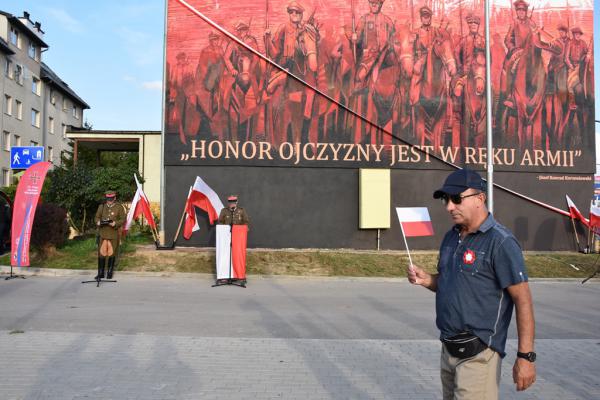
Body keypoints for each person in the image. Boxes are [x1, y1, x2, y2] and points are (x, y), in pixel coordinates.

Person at [407, 168, 536, 399]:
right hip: (448, 350)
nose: (449, 207)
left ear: (480, 198)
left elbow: (522, 299)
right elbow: (448, 282)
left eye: (456, 199)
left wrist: (525, 357)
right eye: (446, 200)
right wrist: (428, 280)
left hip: (479, 355)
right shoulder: (451, 237)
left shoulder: (501, 242)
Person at [94, 190, 126, 280]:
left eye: (111, 199)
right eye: (108, 198)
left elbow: (123, 219)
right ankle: (100, 273)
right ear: (106, 198)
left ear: (114, 198)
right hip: (103, 232)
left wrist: (115, 223)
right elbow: (96, 217)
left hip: (113, 233)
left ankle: (109, 272)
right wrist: (98, 222)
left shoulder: (119, 207)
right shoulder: (102, 206)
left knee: (112, 252)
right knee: (102, 252)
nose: (109, 200)